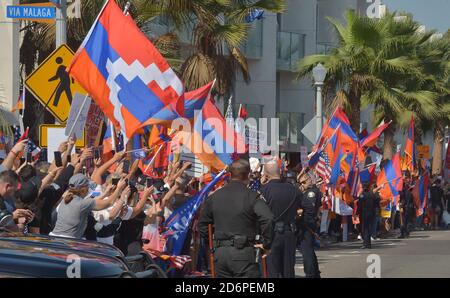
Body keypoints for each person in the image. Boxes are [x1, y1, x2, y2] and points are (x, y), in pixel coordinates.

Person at [198, 159, 274, 278]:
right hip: (243, 253)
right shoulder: (252, 196)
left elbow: (202, 224)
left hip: (221, 253)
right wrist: (266, 244)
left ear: (230, 175)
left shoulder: (215, 196)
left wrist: (214, 243)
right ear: (248, 175)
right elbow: (268, 218)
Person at [260, 161, 302, 278]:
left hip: (270, 234)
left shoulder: (264, 190)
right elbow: (307, 207)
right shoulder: (293, 188)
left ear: (266, 174)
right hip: (289, 232)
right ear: (281, 171)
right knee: (288, 271)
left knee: (272, 271)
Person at [50, 174, 119, 239]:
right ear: (83, 189)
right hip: (67, 242)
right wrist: (119, 188)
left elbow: (90, 202)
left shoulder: (65, 200)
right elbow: (109, 202)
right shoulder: (83, 204)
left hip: (54, 238)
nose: (89, 189)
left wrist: (105, 194)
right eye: (88, 186)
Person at [297, 171, 321, 278]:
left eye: (303, 182)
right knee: (308, 249)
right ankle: (315, 272)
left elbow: (310, 208)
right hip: (306, 223)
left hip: (307, 223)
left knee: (307, 250)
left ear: (309, 180)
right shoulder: (307, 192)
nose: (301, 185)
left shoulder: (312, 193)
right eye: (300, 183)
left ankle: (310, 273)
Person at [358, 183, 381, 248]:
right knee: (369, 228)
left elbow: (359, 205)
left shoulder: (362, 195)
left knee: (365, 229)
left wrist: (357, 213)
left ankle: (365, 243)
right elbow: (377, 203)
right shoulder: (372, 195)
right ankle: (368, 244)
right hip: (371, 213)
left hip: (364, 213)